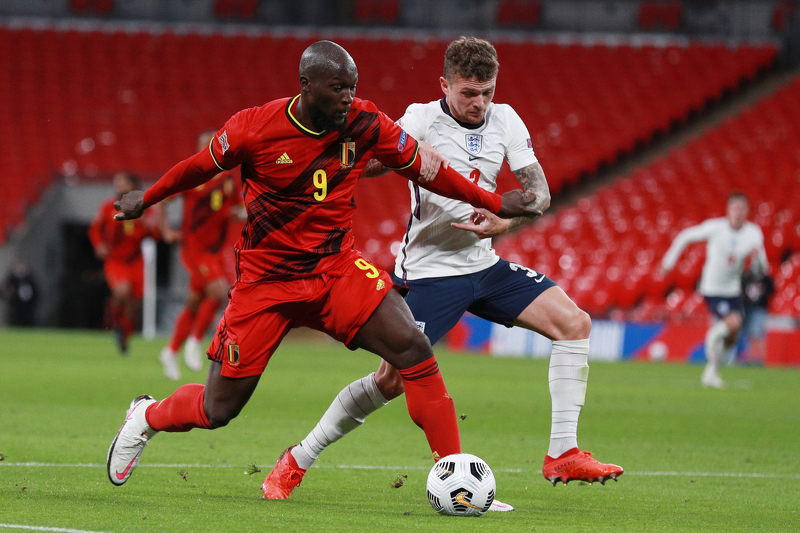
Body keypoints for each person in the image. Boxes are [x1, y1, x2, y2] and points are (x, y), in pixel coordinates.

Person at [106, 40, 540, 492]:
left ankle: (458, 479)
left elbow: (427, 169)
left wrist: (492, 201)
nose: (348, 98)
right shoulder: (255, 127)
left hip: (336, 271)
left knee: (412, 347)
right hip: (265, 284)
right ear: (307, 86)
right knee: (218, 410)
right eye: (338, 89)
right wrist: (148, 197)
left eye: (352, 88)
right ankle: (148, 415)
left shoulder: (364, 122)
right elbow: (199, 167)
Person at [261, 37, 624, 507]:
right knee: (390, 381)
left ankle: (563, 453)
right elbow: (371, 161)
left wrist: (505, 221)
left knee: (574, 323)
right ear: (445, 85)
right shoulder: (420, 119)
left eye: (487, 92)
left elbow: (539, 193)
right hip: (430, 273)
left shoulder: (506, 119)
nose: (479, 104)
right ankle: (296, 461)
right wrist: (328, 166)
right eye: (468, 93)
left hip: (485, 266)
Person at [158, 130, 245, 381]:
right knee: (218, 293)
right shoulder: (192, 176)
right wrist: (166, 230)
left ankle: (170, 351)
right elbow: (163, 199)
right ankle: (195, 342)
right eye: (202, 147)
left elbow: (236, 209)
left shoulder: (227, 181)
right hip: (194, 249)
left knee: (196, 301)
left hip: (215, 251)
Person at [661, 191, 768, 388]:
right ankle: (713, 336)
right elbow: (686, 236)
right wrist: (668, 262)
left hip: (733, 290)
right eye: (734, 208)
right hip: (712, 288)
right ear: (728, 210)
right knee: (734, 323)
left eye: (742, 208)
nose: (738, 212)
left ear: (747, 211)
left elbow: (762, 268)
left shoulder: (754, 233)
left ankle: (711, 372)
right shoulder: (716, 228)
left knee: (733, 334)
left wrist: (758, 260)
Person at [89, 172, 159, 355]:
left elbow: (156, 234)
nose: (118, 185)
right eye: (117, 182)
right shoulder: (107, 207)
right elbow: (95, 229)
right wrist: (99, 245)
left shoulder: (146, 208)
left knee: (133, 304)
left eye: (123, 182)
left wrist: (146, 222)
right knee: (122, 291)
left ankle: (124, 336)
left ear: (133, 185)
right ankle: (112, 322)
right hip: (116, 260)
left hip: (136, 260)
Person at [740, 268, 774, 365]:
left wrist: (763, 278)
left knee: (757, 334)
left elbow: (771, 290)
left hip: (759, 308)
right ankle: (746, 358)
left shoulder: (765, 278)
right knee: (745, 334)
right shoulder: (745, 277)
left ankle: (757, 359)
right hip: (746, 308)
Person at [2, 260, 38, 326]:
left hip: (28, 308)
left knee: (28, 324)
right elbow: (4, 293)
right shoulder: (11, 280)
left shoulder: (30, 279)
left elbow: (36, 294)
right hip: (15, 308)